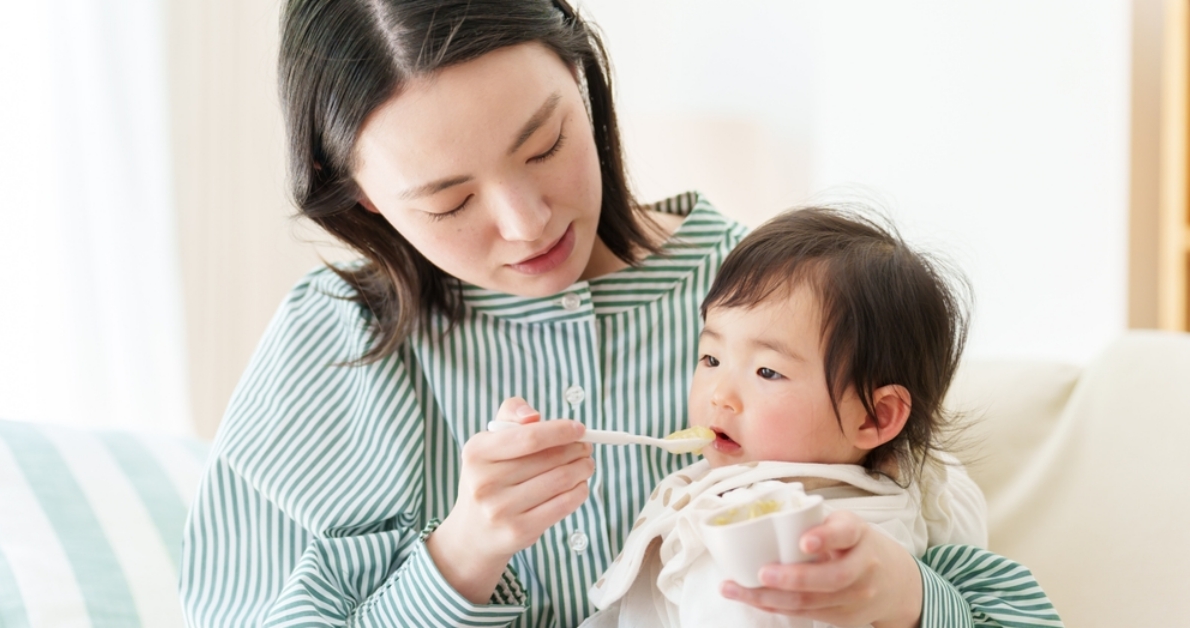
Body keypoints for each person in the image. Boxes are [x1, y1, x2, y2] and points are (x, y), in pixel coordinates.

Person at [180, 1, 1063, 626]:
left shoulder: (792, 311)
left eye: (546, 143)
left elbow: (959, 565)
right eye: (449, 201)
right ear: (364, 203)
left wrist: (902, 602)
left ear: (585, 77)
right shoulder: (332, 346)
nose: (528, 223)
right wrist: (460, 558)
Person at [582, 206, 1015, 627]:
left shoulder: (752, 544)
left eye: (767, 371)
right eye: (710, 358)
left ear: (875, 417)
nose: (721, 395)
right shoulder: (930, 484)